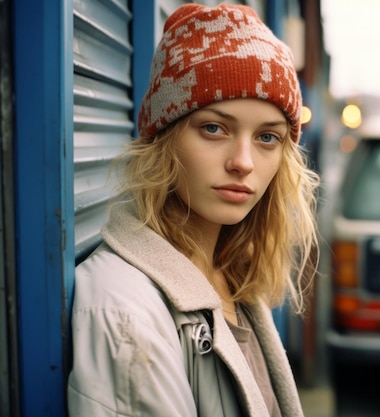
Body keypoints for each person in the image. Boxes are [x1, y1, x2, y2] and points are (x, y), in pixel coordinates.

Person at [67, 3, 319, 417]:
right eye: (214, 128)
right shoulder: (125, 312)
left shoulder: (232, 274)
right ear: (163, 138)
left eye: (267, 137)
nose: (244, 162)